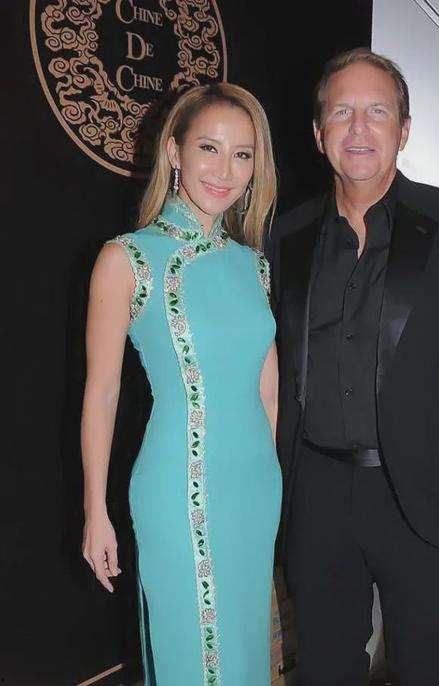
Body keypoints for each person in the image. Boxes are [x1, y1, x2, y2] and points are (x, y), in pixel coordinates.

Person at [269, 48, 439, 685]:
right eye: (342, 112)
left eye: (377, 112)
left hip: (429, 496)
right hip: (317, 494)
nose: (359, 128)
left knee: (430, 670)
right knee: (324, 670)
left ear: (403, 130)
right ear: (318, 132)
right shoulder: (285, 236)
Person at [81, 83, 281, 685]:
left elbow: (266, 383)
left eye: (242, 154)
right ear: (174, 151)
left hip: (254, 491)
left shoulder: (253, 264)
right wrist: (95, 510)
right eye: (209, 148)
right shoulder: (127, 258)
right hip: (179, 488)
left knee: (243, 654)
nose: (225, 170)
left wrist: (267, 474)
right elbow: (102, 393)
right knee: (192, 660)